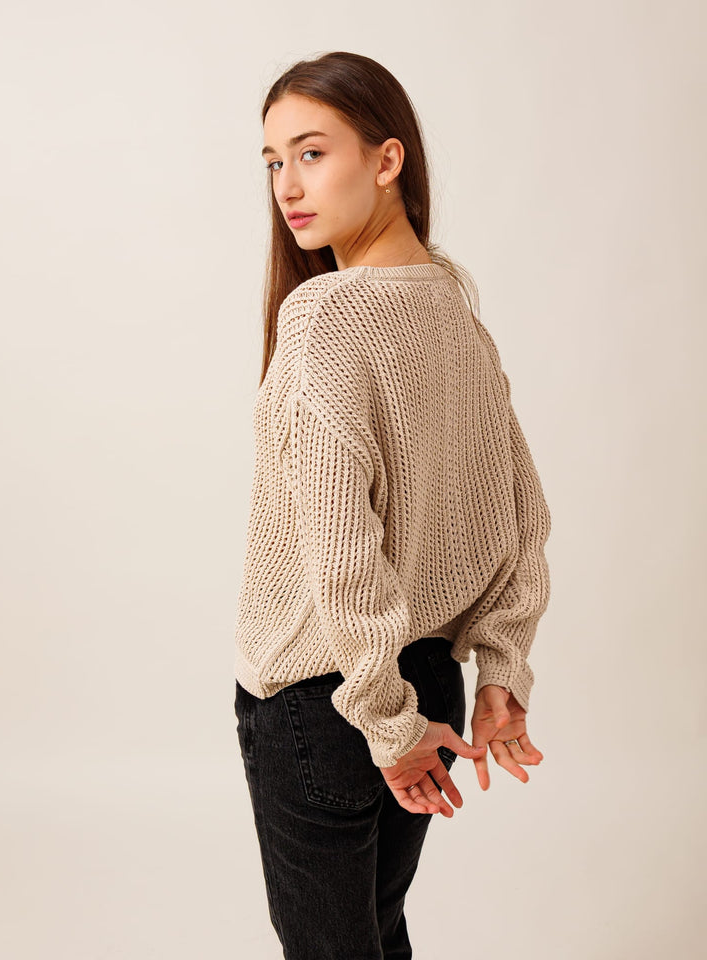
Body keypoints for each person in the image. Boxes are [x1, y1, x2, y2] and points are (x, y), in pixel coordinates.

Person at [233, 50, 552, 960]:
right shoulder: (452, 309)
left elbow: (342, 550)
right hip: (427, 687)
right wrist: (499, 675)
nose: (287, 187)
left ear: (387, 159)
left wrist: (381, 715)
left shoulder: (326, 315)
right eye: (272, 162)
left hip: (328, 699)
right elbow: (520, 520)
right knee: (376, 936)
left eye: (311, 153)